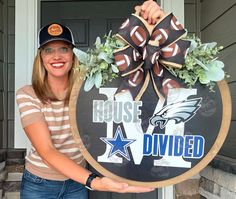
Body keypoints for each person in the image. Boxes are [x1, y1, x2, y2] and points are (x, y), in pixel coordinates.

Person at [16, 1, 165, 198]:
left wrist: (150, 23)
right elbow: (47, 150)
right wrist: (95, 182)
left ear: (73, 53)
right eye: (48, 50)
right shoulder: (27, 94)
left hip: (77, 183)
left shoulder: (90, 90)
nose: (56, 56)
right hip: (40, 183)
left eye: (63, 48)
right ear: (40, 57)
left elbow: (132, 62)